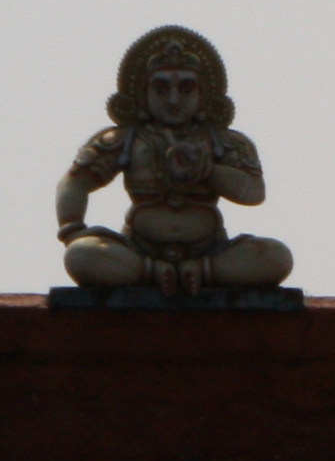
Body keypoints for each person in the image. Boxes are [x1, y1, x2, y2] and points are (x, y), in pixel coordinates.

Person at [57, 26, 292, 293]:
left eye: (186, 90)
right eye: (160, 90)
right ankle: (151, 270)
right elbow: (74, 182)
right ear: (142, 95)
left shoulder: (224, 142)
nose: (173, 100)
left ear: (204, 96)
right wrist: (72, 230)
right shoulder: (125, 139)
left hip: (210, 248)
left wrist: (208, 171)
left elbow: (254, 192)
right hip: (138, 248)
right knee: (81, 254)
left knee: (276, 256)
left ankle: (203, 270)